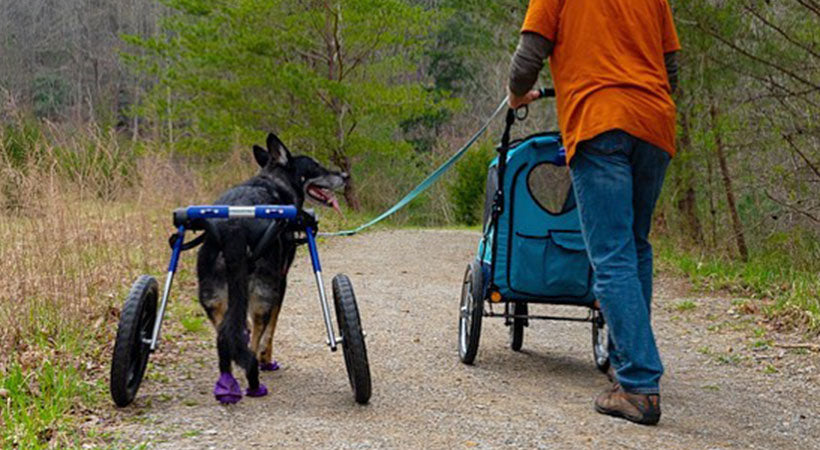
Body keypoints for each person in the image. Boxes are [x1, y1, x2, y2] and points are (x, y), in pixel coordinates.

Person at [507, 0, 680, 426]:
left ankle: (639, 385)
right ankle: (627, 363)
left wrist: (516, 95)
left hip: (600, 120)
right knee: (635, 246)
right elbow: (670, 69)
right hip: (654, 124)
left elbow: (527, 59)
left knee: (612, 255)